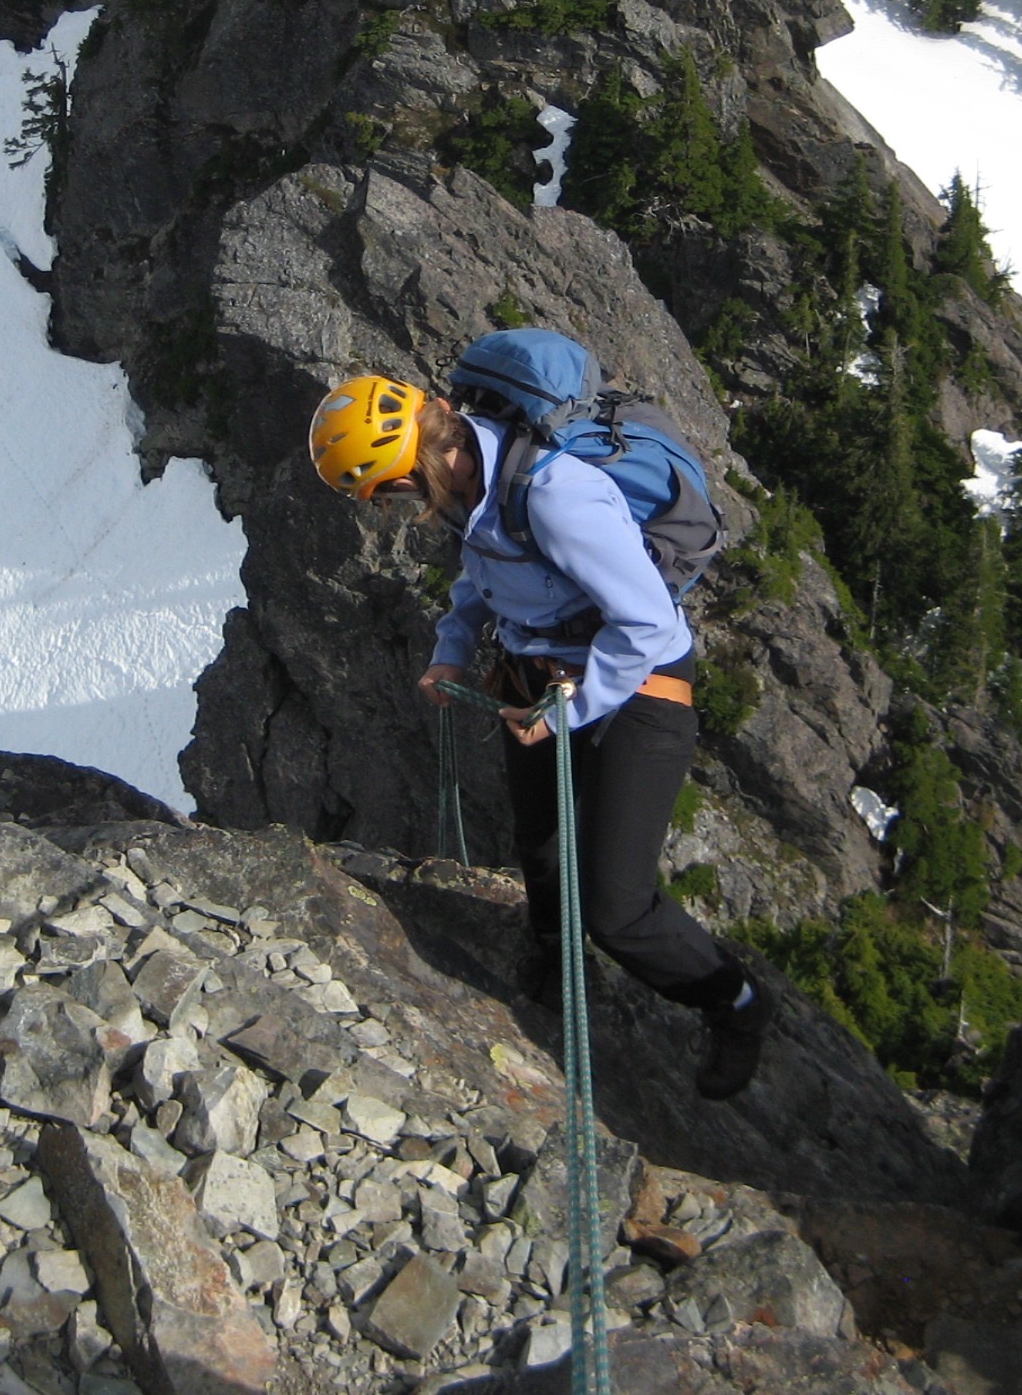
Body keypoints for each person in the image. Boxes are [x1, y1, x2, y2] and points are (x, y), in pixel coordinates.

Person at [308, 368, 774, 1102]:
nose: (400, 508)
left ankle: (735, 1002)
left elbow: (647, 622)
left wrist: (570, 712)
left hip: (638, 688)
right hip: (542, 675)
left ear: (408, 471)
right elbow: (484, 574)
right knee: (541, 840)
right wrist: (452, 647)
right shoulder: (471, 477)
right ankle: (556, 953)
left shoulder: (555, 495)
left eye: (389, 494)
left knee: (617, 907)